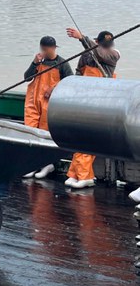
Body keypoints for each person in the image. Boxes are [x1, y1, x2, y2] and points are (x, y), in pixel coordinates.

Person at [65, 27, 120, 190]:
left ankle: (86, 176)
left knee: (90, 137)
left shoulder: (113, 54)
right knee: (78, 135)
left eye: (108, 44)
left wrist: (82, 38)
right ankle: (75, 173)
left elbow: (100, 54)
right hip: (85, 98)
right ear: (97, 42)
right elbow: (79, 71)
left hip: (101, 100)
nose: (107, 47)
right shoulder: (87, 53)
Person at [22, 35, 72, 179]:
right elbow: (27, 78)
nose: (44, 51)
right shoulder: (38, 61)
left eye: (46, 49)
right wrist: (34, 63)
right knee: (29, 133)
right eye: (42, 48)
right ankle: (30, 165)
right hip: (33, 102)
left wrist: (54, 88)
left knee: (45, 134)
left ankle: (46, 164)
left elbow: (70, 81)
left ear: (53, 48)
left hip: (49, 104)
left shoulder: (62, 63)